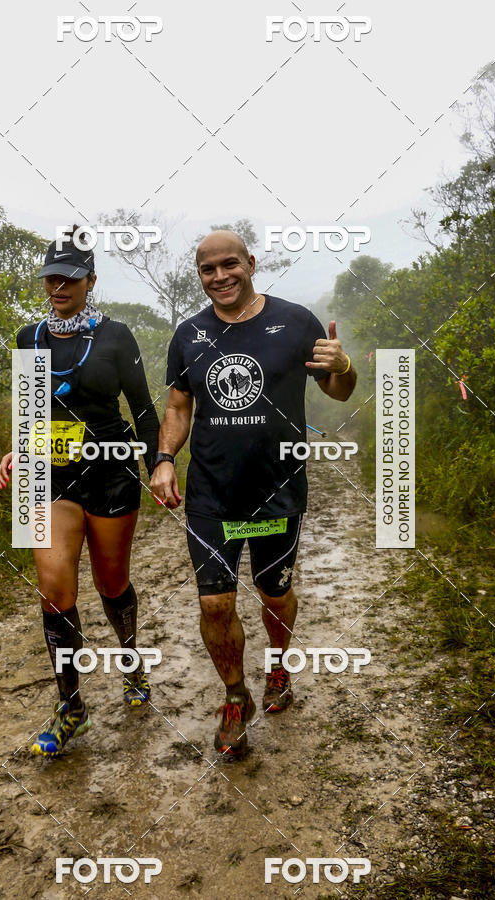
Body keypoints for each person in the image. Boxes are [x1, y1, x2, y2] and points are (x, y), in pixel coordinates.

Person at [150, 229, 356, 758]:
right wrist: (166, 458)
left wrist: (345, 366)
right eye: (207, 269)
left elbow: (337, 388)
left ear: (251, 263)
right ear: (199, 275)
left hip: (277, 492)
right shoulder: (189, 335)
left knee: (272, 594)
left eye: (229, 265)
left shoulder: (295, 322)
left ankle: (279, 666)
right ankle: (235, 696)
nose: (219, 277)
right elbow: (178, 407)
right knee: (215, 601)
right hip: (211, 496)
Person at [0, 228, 159, 758]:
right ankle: (72, 707)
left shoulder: (116, 336)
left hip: (112, 469)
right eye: (51, 278)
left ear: (91, 280)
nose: (58, 286)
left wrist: (159, 462)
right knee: (53, 585)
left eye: (69, 278)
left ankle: (131, 663)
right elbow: (28, 412)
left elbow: (144, 409)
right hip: (50, 473)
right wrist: (16, 450)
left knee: (111, 583)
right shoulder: (30, 337)